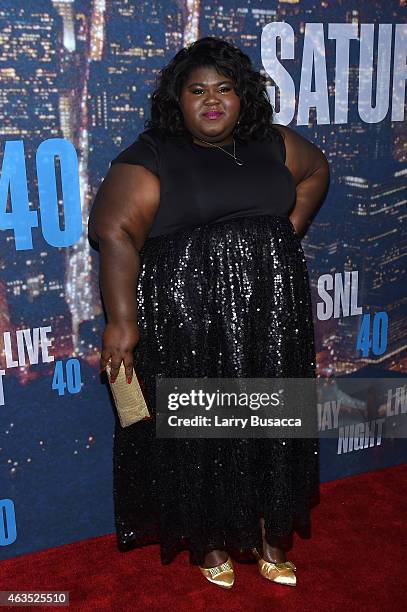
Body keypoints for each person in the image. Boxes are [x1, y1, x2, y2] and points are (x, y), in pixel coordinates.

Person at [88, 36, 330, 589]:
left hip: (269, 315)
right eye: (198, 91)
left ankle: (272, 537)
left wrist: (282, 237)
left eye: (224, 89)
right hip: (189, 319)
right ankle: (210, 540)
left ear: (242, 96)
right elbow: (115, 232)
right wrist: (122, 322)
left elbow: (317, 171)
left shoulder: (271, 144)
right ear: (180, 100)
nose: (212, 101)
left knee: (273, 422)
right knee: (202, 433)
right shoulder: (150, 153)